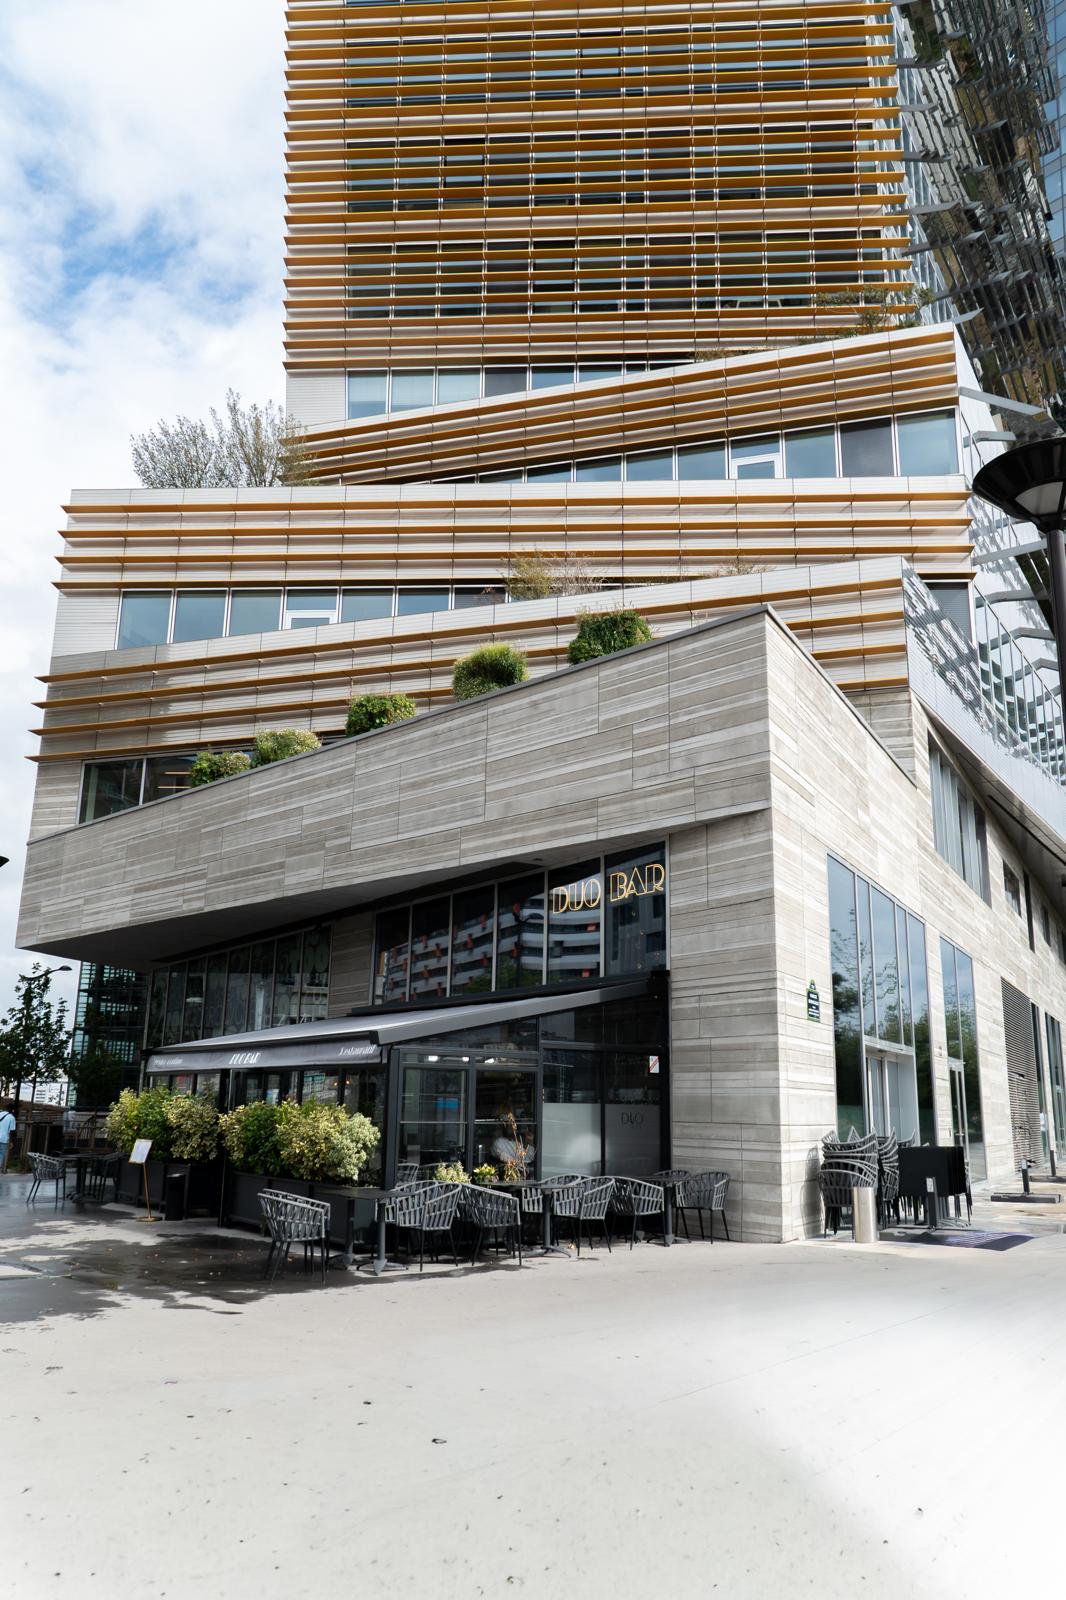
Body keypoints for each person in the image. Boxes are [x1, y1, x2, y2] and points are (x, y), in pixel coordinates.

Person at [0, 1104, 15, 1174]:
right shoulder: (11, 1118)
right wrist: (11, 1142)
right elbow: (12, 1131)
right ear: (12, 1110)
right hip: (3, 1139)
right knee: (1, 1155)